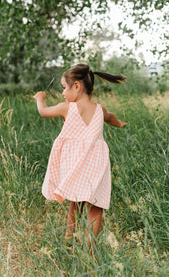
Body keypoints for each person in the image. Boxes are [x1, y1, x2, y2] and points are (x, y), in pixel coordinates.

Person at [33, 63, 127, 246]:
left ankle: (69, 236)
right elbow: (112, 118)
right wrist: (121, 124)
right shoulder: (101, 110)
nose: (62, 93)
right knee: (96, 206)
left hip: (75, 162)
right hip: (96, 163)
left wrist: (40, 98)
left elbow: (43, 112)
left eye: (63, 87)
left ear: (76, 86)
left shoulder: (67, 107)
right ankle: (89, 248)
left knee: (76, 199)